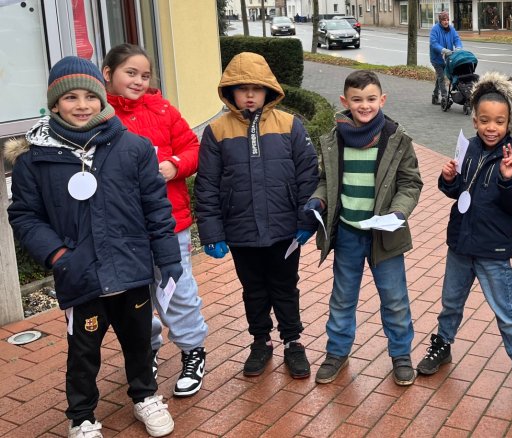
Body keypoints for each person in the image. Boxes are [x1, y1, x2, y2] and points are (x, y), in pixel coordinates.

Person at [6, 56, 179, 438]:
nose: (82, 105)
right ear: (54, 104)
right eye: (71, 98)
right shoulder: (34, 160)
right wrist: (58, 255)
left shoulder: (133, 148)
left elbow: (156, 206)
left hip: (131, 269)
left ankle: (145, 395)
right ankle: (81, 417)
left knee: (139, 342)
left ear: (102, 99)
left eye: (90, 96)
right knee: (83, 353)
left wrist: (168, 257)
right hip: (80, 274)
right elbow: (25, 216)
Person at [417, 71, 512, 409]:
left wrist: (509, 179)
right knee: (450, 303)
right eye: (484, 120)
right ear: (474, 120)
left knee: (507, 313)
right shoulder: (469, 147)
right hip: (460, 243)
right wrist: (448, 179)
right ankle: (442, 345)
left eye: (499, 121)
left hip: (493, 250)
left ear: (509, 122)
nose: (491, 127)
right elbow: (458, 191)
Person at [195, 52, 319, 379]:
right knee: (253, 289)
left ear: (268, 90)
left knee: (285, 287)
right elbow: (207, 184)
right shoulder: (217, 131)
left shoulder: (289, 125)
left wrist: (306, 220)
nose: (250, 95)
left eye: (257, 88)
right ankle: (260, 341)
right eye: (242, 88)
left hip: (284, 229)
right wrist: (212, 233)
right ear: (230, 91)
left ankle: (293, 341)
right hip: (241, 230)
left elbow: (308, 175)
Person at [102, 43, 209, 398]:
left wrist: (174, 166)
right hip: (122, 227)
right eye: (130, 73)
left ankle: (193, 350)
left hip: (170, 223)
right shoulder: (99, 116)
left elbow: (194, 149)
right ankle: (145, 352)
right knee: (135, 295)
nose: (139, 81)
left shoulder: (164, 110)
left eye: (145, 75)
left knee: (177, 290)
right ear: (108, 74)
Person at [307, 70, 423, 386]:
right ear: (345, 101)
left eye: (371, 99)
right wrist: (319, 200)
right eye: (357, 99)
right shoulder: (334, 139)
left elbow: (410, 183)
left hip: (385, 235)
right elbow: (325, 180)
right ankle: (337, 352)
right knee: (342, 297)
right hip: (348, 232)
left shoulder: (396, 138)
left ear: (382, 100)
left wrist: (398, 211)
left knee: (395, 299)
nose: (364, 105)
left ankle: (401, 355)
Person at [429, 11, 462, 105]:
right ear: (440, 21)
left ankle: (435, 96)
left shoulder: (451, 29)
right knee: (441, 77)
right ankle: (444, 96)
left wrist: (458, 47)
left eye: (447, 20)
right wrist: (443, 50)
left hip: (448, 58)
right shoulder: (435, 29)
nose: (446, 22)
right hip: (437, 58)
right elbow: (433, 43)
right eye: (444, 20)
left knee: (440, 77)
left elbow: (456, 39)